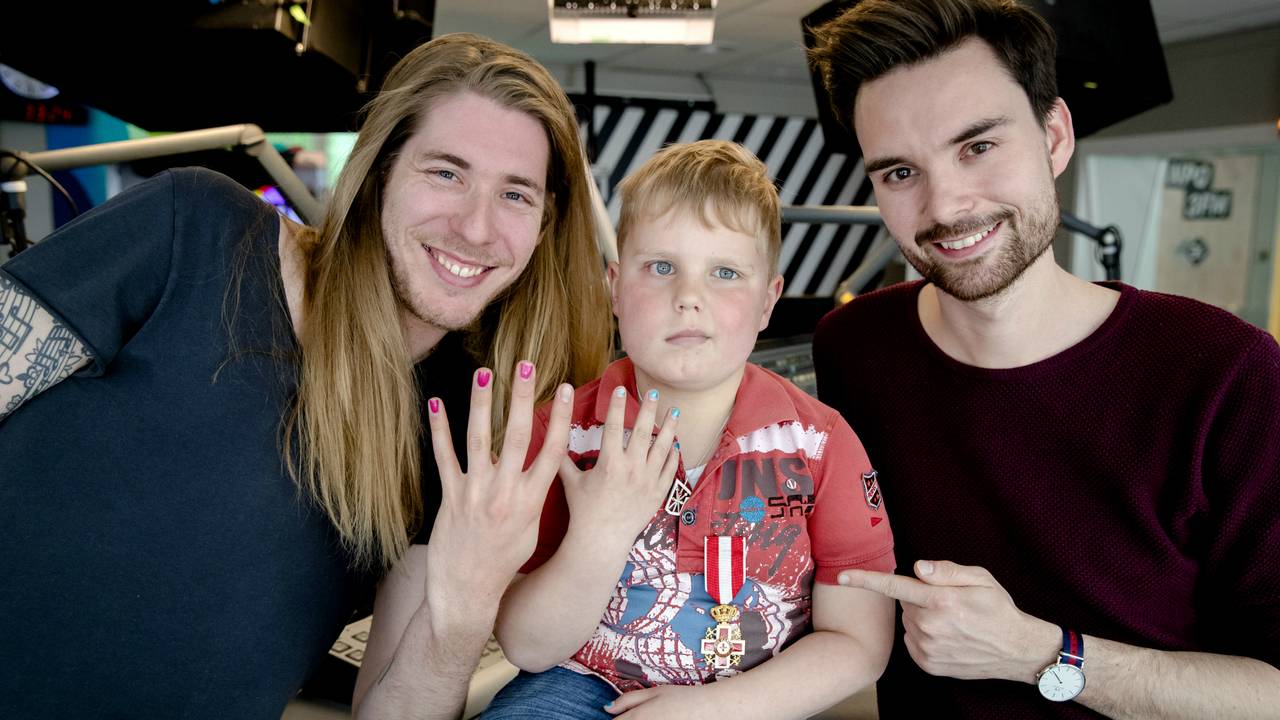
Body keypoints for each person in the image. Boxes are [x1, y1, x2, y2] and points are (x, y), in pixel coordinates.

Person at [0, 33, 612, 719]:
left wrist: (469, 603)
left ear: (543, 225)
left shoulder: (455, 424)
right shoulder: (196, 231)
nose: (476, 226)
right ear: (379, 172)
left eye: (516, 195)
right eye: (446, 173)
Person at [806, 1, 1280, 718]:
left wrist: (1041, 654)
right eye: (901, 172)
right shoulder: (853, 348)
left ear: (1054, 136)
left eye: (978, 147)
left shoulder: (1227, 374)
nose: (947, 205)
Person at [468, 140, 896, 719]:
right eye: (661, 267)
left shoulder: (820, 444)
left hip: (756, 698)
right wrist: (599, 532)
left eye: (724, 272)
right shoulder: (563, 437)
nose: (689, 298)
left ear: (769, 300)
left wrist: (711, 710)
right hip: (580, 685)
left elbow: (859, 644)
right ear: (616, 288)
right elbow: (527, 644)